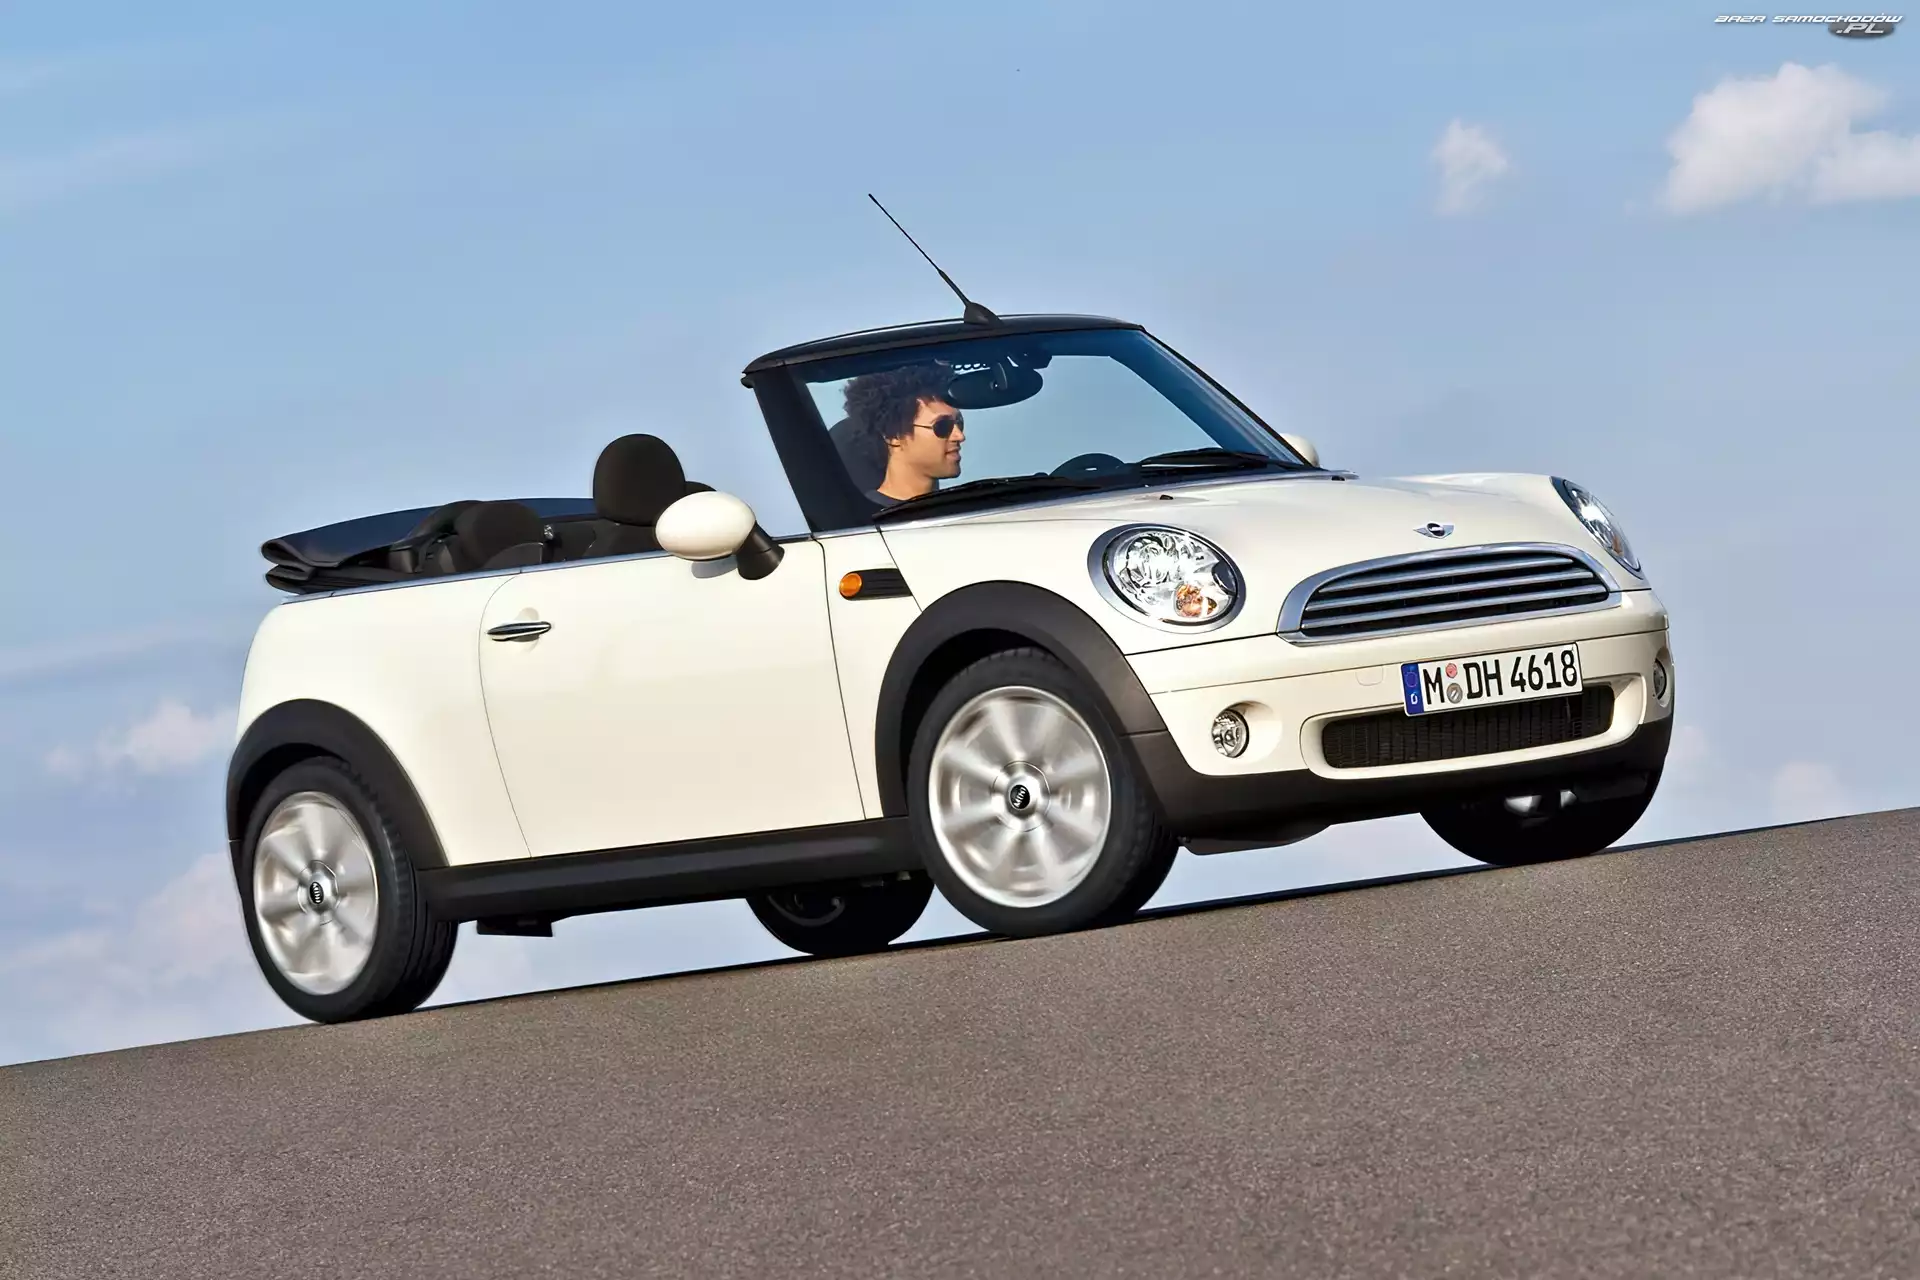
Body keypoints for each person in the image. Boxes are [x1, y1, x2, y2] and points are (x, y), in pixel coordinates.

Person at [841, 363, 966, 504]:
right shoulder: (864, 516)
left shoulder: (963, 508)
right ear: (894, 436)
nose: (960, 436)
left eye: (959, 423)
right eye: (942, 426)